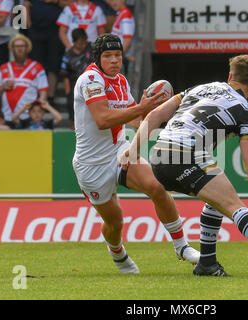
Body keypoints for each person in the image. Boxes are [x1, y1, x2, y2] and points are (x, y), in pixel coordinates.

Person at [119, 55, 248, 277]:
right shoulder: (246, 112)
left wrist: (132, 151)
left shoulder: (200, 88)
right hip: (186, 154)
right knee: (233, 205)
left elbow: (155, 115)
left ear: (230, 75)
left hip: (160, 154)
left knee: (217, 200)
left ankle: (207, 264)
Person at [72, 33, 199, 274]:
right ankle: (117, 253)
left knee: (157, 187)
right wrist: (142, 108)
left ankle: (182, 246)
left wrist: (162, 113)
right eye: (107, 56)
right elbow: (102, 120)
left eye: (117, 55)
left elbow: (135, 119)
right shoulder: (90, 79)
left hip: (119, 151)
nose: (113, 60)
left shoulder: (120, 80)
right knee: (114, 222)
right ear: (97, 58)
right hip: (91, 165)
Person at [0, 34, 49, 127]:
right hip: (7, 117)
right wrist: (3, 87)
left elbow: (43, 93)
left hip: (28, 118)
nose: (19, 49)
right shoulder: (3, 68)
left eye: (22, 46)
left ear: (27, 48)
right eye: (16, 46)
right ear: (12, 49)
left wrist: (37, 113)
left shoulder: (37, 67)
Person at [25, 0, 67, 106]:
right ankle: (37, 94)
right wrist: (28, 25)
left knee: (54, 64)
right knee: (36, 64)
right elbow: (25, 4)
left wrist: (55, 1)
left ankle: (50, 97)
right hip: (35, 30)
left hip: (55, 30)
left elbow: (70, 4)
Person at [60, 27, 91, 122]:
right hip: (74, 84)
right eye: (80, 43)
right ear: (73, 41)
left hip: (90, 83)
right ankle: (74, 124)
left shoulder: (91, 49)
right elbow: (64, 74)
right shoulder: (68, 55)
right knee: (72, 103)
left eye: (84, 42)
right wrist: (68, 91)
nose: (82, 45)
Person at [106, 0, 134, 76]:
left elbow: (127, 40)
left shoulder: (125, 15)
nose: (113, 3)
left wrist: (117, 57)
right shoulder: (121, 13)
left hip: (120, 59)